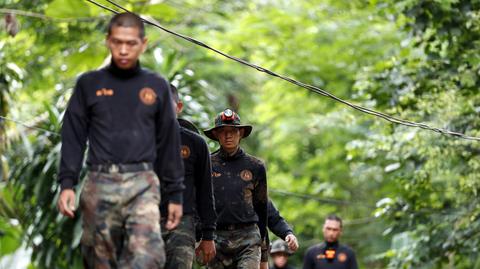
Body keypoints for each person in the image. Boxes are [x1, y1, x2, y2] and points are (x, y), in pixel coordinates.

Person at [56, 12, 185, 269]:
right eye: (118, 42)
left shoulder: (156, 85)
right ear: (108, 41)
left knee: (148, 257)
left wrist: (176, 194)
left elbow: (169, 141)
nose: (124, 50)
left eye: (131, 43)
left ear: (143, 44)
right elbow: (73, 135)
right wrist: (67, 183)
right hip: (99, 182)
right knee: (99, 260)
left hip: (143, 183)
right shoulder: (89, 84)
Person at [161, 84, 217, 269]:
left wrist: (208, 236)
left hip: (183, 224)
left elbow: (205, 191)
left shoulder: (196, 143)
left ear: (178, 107)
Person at [204, 108, 268, 269]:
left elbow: (262, 208)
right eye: (223, 131)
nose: (228, 135)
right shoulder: (207, 164)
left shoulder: (255, 166)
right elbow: (201, 203)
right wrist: (203, 237)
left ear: (240, 133)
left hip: (248, 238)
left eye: (233, 131)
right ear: (216, 135)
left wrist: (264, 252)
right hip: (216, 237)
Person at [260, 199, 299, 269]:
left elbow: (275, 220)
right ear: (273, 256)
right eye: (278, 254)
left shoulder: (262, 199)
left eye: (284, 255)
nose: (281, 258)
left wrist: (288, 233)